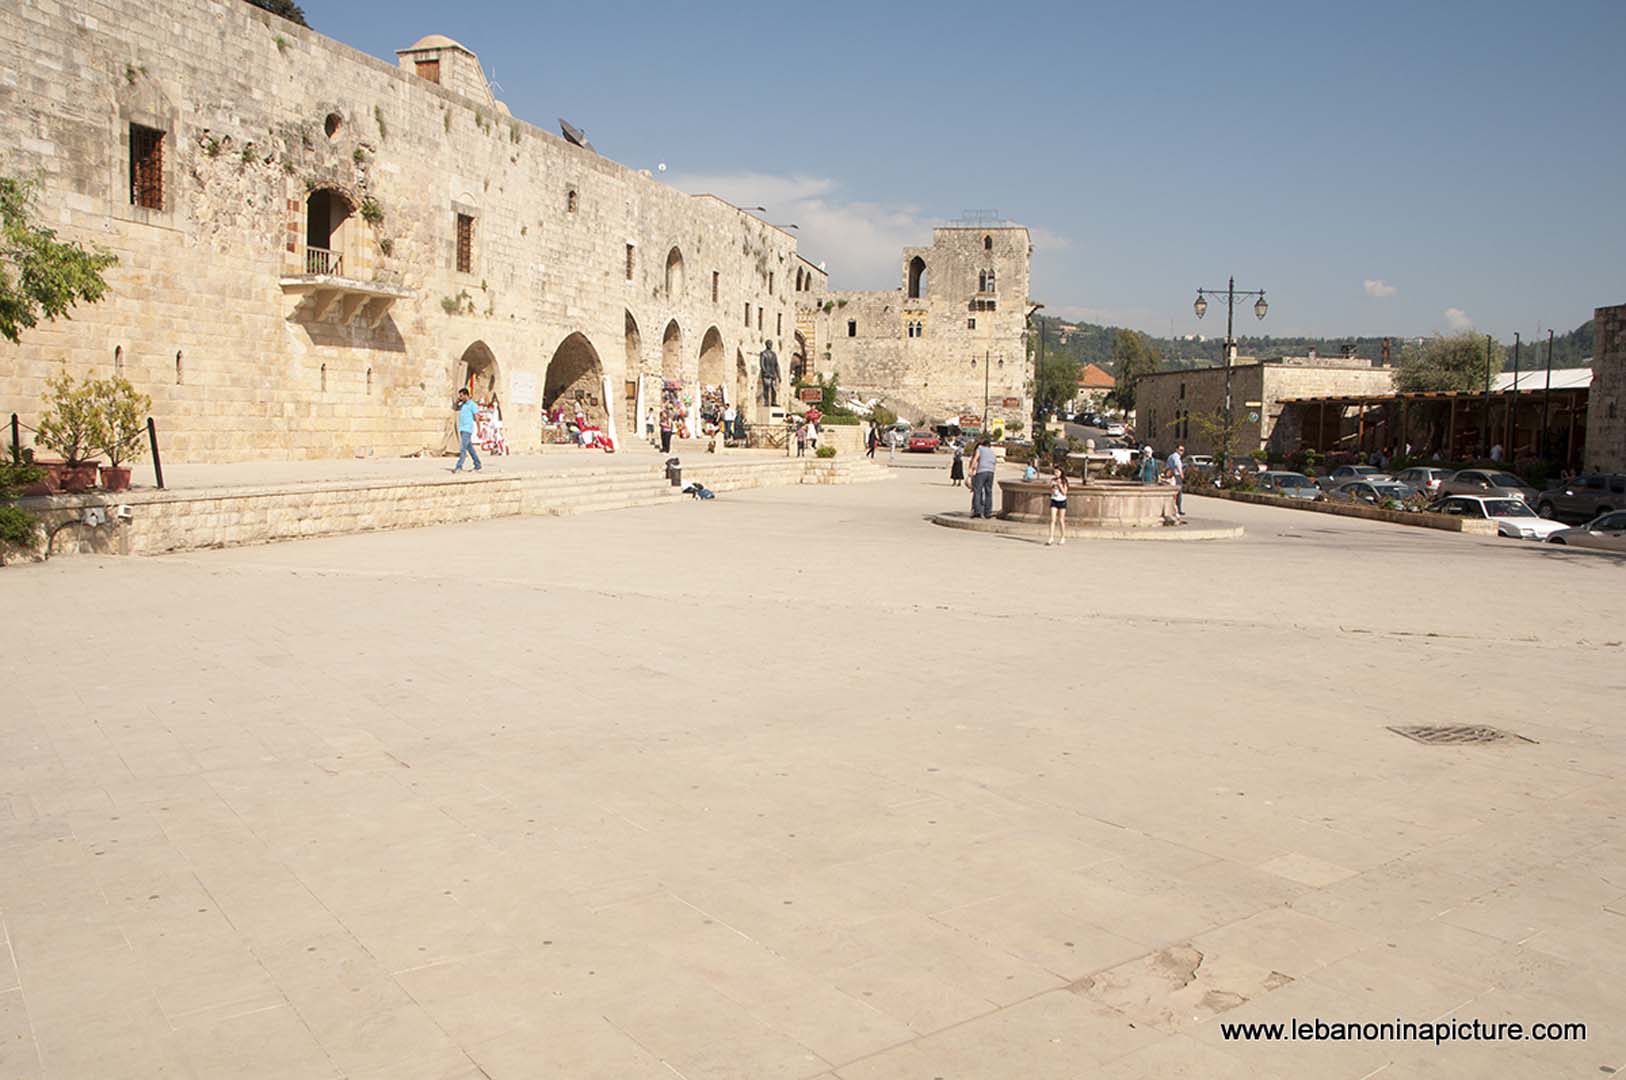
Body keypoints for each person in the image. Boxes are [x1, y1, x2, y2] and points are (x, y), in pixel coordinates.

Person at [452, 388, 481, 473]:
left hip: (467, 429)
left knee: (463, 448)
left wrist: (479, 430)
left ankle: (459, 466)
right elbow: (456, 408)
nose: (460, 397)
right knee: (470, 449)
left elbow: (477, 417)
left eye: (461, 396)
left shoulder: (472, 405)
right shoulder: (463, 404)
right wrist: (457, 401)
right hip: (462, 428)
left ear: (465, 395)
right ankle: (477, 464)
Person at [969, 438, 998, 518]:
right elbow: (995, 463)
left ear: (983, 444)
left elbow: (975, 458)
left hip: (981, 471)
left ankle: (977, 511)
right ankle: (988, 512)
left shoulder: (980, 448)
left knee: (977, 490)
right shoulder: (992, 452)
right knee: (989, 492)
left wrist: (971, 469)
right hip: (991, 472)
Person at [1047, 465, 1069, 546]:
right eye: (1055, 472)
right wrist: (1052, 487)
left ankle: (1063, 537)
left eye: (1057, 472)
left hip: (1062, 501)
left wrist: (1059, 486)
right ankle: (1051, 537)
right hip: (1054, 500)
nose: (1056, 473)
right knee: (1053, 519)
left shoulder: (1064, 481)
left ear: (1061, 472)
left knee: (1061, 520)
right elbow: (1051, 492)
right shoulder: (1053, 480)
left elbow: (1065, 492)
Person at [1166, 442, 1186, 518]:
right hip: (1176, 476)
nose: (1182, 452)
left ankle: (1175, 509)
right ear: (1176, 449)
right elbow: (1178, 465)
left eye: (1183, 450)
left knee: (1174, 494)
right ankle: (1178, 509)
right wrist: (1181, 474)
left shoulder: (1171, 456)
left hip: (1172, 476)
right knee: (1178, 493)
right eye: (1180, 450)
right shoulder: (1176, 457)